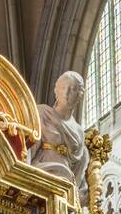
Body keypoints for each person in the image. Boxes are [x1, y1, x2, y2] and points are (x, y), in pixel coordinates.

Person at [30, 71, 90, 205]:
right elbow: (29, 148)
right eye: (63, 88)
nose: (67, 93)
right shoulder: (42, 113)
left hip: (67, 181)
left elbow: (78, 167)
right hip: (43, 171)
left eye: (73, 89)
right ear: (56, 91)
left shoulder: (78, 132)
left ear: (79, 95)